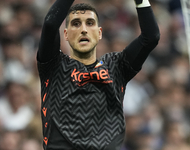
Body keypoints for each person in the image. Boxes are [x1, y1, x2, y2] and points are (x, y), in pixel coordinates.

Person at [36, 0, 160, 150]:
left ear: (99, 33)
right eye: (76, 23)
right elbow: (50, 24)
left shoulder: (117, 66)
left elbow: (151, 37)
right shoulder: (53, 65)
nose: (83, 29)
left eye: (90, 23)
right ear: (66, 34)